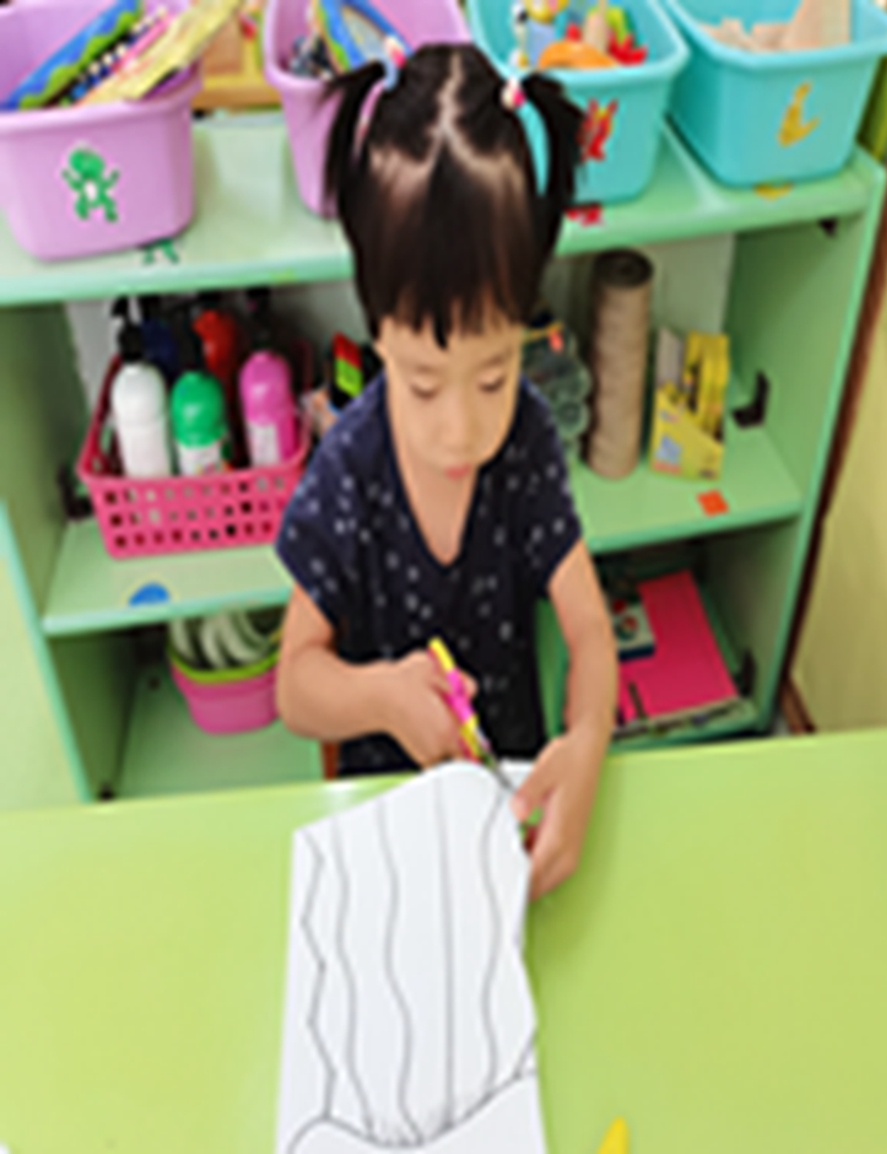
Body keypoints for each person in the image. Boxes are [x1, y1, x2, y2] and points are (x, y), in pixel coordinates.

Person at [276, 42, 616, 898]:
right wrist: (381, 698)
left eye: (494, 375)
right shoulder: (353, 467)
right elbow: (294, 684)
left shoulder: (525, 439)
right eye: (423, 384)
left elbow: (588, 630)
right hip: (385, 817)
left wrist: (585, 745)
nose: (462, 429)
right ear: (377, 333)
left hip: (507, 804)